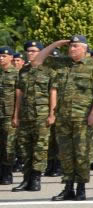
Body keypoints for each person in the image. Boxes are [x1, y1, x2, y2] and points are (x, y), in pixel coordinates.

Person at [48, 36, 93, 201]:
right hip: (63, 117)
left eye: (75, 46)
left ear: (84, 48)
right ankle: (68, 188)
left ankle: (81, 188)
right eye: (70, 46)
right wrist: (56, 43)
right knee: (65, 154)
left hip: (83, 117)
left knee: (82, 153)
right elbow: (39, 60)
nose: (71, 49)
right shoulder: (62, 64)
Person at [11, 41, 56, 192]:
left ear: (41, 52)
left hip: (41, 115)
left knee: (40, 147)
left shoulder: (49, 71)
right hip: (25, 115)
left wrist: (52, 114)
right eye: (28, 51)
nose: (30, 53)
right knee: (25, 148)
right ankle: (26, 179)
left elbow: (53, 93)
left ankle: (36, 179)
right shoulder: (23, 71)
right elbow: (19, 94)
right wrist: (16, 115)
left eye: (33, 50)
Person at [0, 46, 20, 185]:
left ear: (11, 57)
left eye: (4, 56)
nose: (1, 58)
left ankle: (7, 173)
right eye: (0, 56)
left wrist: (16, 116)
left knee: (8, 145)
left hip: (9, 114)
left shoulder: (17, 74)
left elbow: (19, 96)